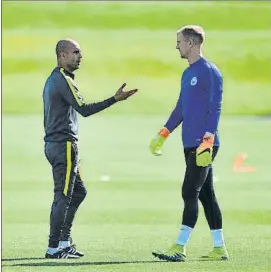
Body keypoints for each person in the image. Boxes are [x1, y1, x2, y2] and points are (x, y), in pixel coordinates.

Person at [43, 38, 137, 259]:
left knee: (78, 192)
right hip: (63, 145)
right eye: (75, 52)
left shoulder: (53, 79)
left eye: (80, 53)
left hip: (56, 144)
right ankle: (53, 247)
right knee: (63, 195)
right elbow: (83, 110)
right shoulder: (63, 80)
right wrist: (114, 99)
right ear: (62, 55)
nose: (80, 56)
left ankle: (64, 242)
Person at [149, 25, 228, 262]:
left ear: (191, 43)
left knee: (189, 190)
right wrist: (164, 133)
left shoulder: (210, 72)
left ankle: (179, 247)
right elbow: (180, 108)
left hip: (203, 144)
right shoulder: (187, 74)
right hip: (189, 143)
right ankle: (219, 248)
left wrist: (207, 140)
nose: (177, 46)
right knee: (206, 196)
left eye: (179, 42)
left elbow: (215, 108)